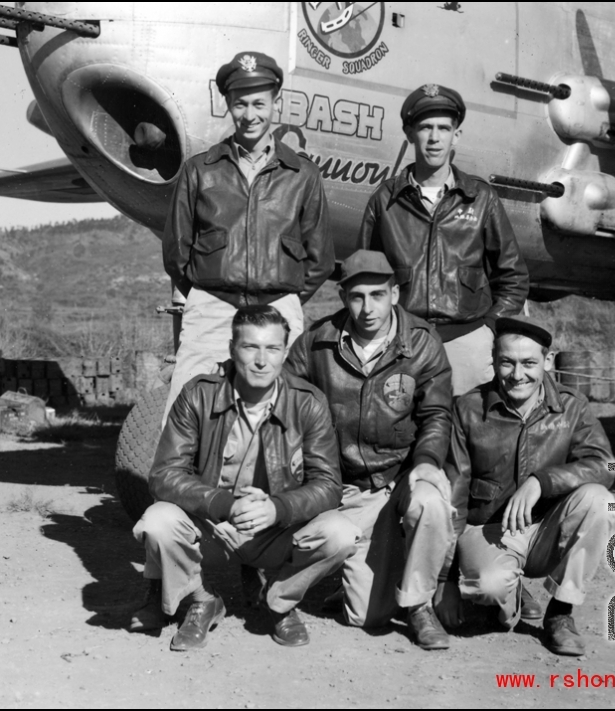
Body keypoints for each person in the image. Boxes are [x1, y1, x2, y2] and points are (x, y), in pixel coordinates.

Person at [129, 305, 359, 650]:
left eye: (272, 348)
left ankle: (279, 600)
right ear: (232, 348)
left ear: (285, 352)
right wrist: (222, 504)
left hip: (275, 533)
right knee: (158, 522)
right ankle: (201, 599)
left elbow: (328, 486)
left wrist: (278, 509)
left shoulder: (307, 402)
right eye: (251, 347)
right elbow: (163, 475)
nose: (262, 360)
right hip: (212, 527)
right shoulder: (199, 394)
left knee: (340, 532)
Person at [285, 250, 455, 650]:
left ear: (394, 294)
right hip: (349, 485)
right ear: (343, 297)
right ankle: (376, 572)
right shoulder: (315, 344)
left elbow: (436, 414)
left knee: (431, 502)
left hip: (401, 477)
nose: (367, 308)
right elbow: (286, 403)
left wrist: (427, 462)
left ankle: (418, 606)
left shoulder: (423, 343)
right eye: (357, 296)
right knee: (365, 617)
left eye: (377, 295)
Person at [162, 51, 334, 423]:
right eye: (240, 104)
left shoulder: (303, 175)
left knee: (282, 416)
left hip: (278, 310)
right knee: (187, 411)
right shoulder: (199, 171)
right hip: (211, 306)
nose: (250, 114)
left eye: (260, 103)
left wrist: (283, 295)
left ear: (277, 103)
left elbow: (319, 258)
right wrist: (207, 293)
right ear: (228, 105)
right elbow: (176, 251)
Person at [435, 316, 615, 656]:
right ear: (494, 360)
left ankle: (560, 613)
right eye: (507, 362)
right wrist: (446, 579)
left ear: (548, 361)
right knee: (488, 591)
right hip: (490, 530)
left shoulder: (572, 405)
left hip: (547, 531)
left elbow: (604, 465)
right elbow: (453, 494)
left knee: (599, 500)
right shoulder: (468, 408)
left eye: (529, 363)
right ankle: (508, 593)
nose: (518, 375)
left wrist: (541, 482)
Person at [358, 83, 529, 396]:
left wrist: (488, 329)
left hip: (467, 344)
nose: (435, 138)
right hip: (403, 342)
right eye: (425, 127)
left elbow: (513, 276)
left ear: (456, 135)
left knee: (468, 436)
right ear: (409, 133)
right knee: (403, 436)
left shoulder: (480, 199)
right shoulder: (385, 201)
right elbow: (365, 278)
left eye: (443, 128)